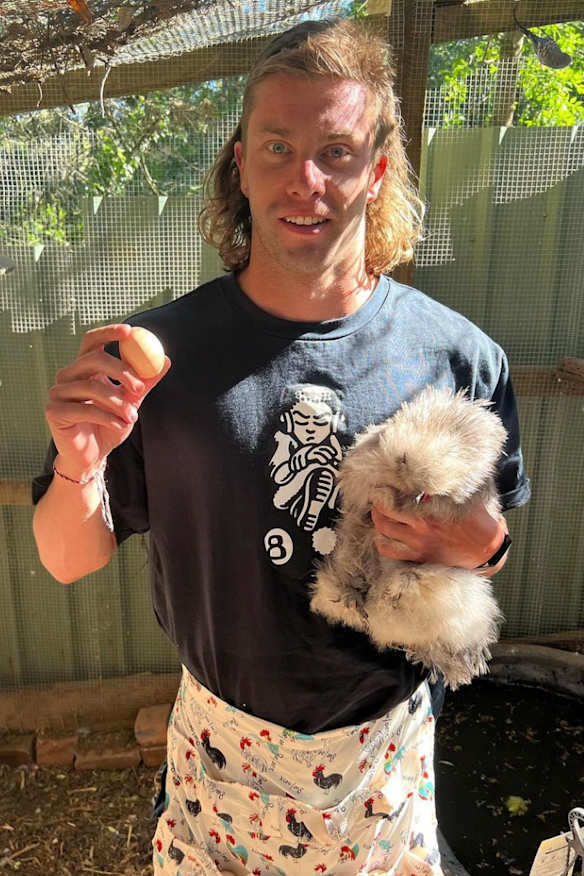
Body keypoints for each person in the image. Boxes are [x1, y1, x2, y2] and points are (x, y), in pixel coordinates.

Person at [32, 17, 531, 876]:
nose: (306, 181)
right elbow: (69, 559)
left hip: (385, 761)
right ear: (240, 163)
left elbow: (486, 552)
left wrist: (482, 547)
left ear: (377, 170)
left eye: (337, 151)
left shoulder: (458, 358)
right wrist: (79, 466)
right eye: (277, 147)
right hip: (221, 760)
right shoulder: (158, 360)